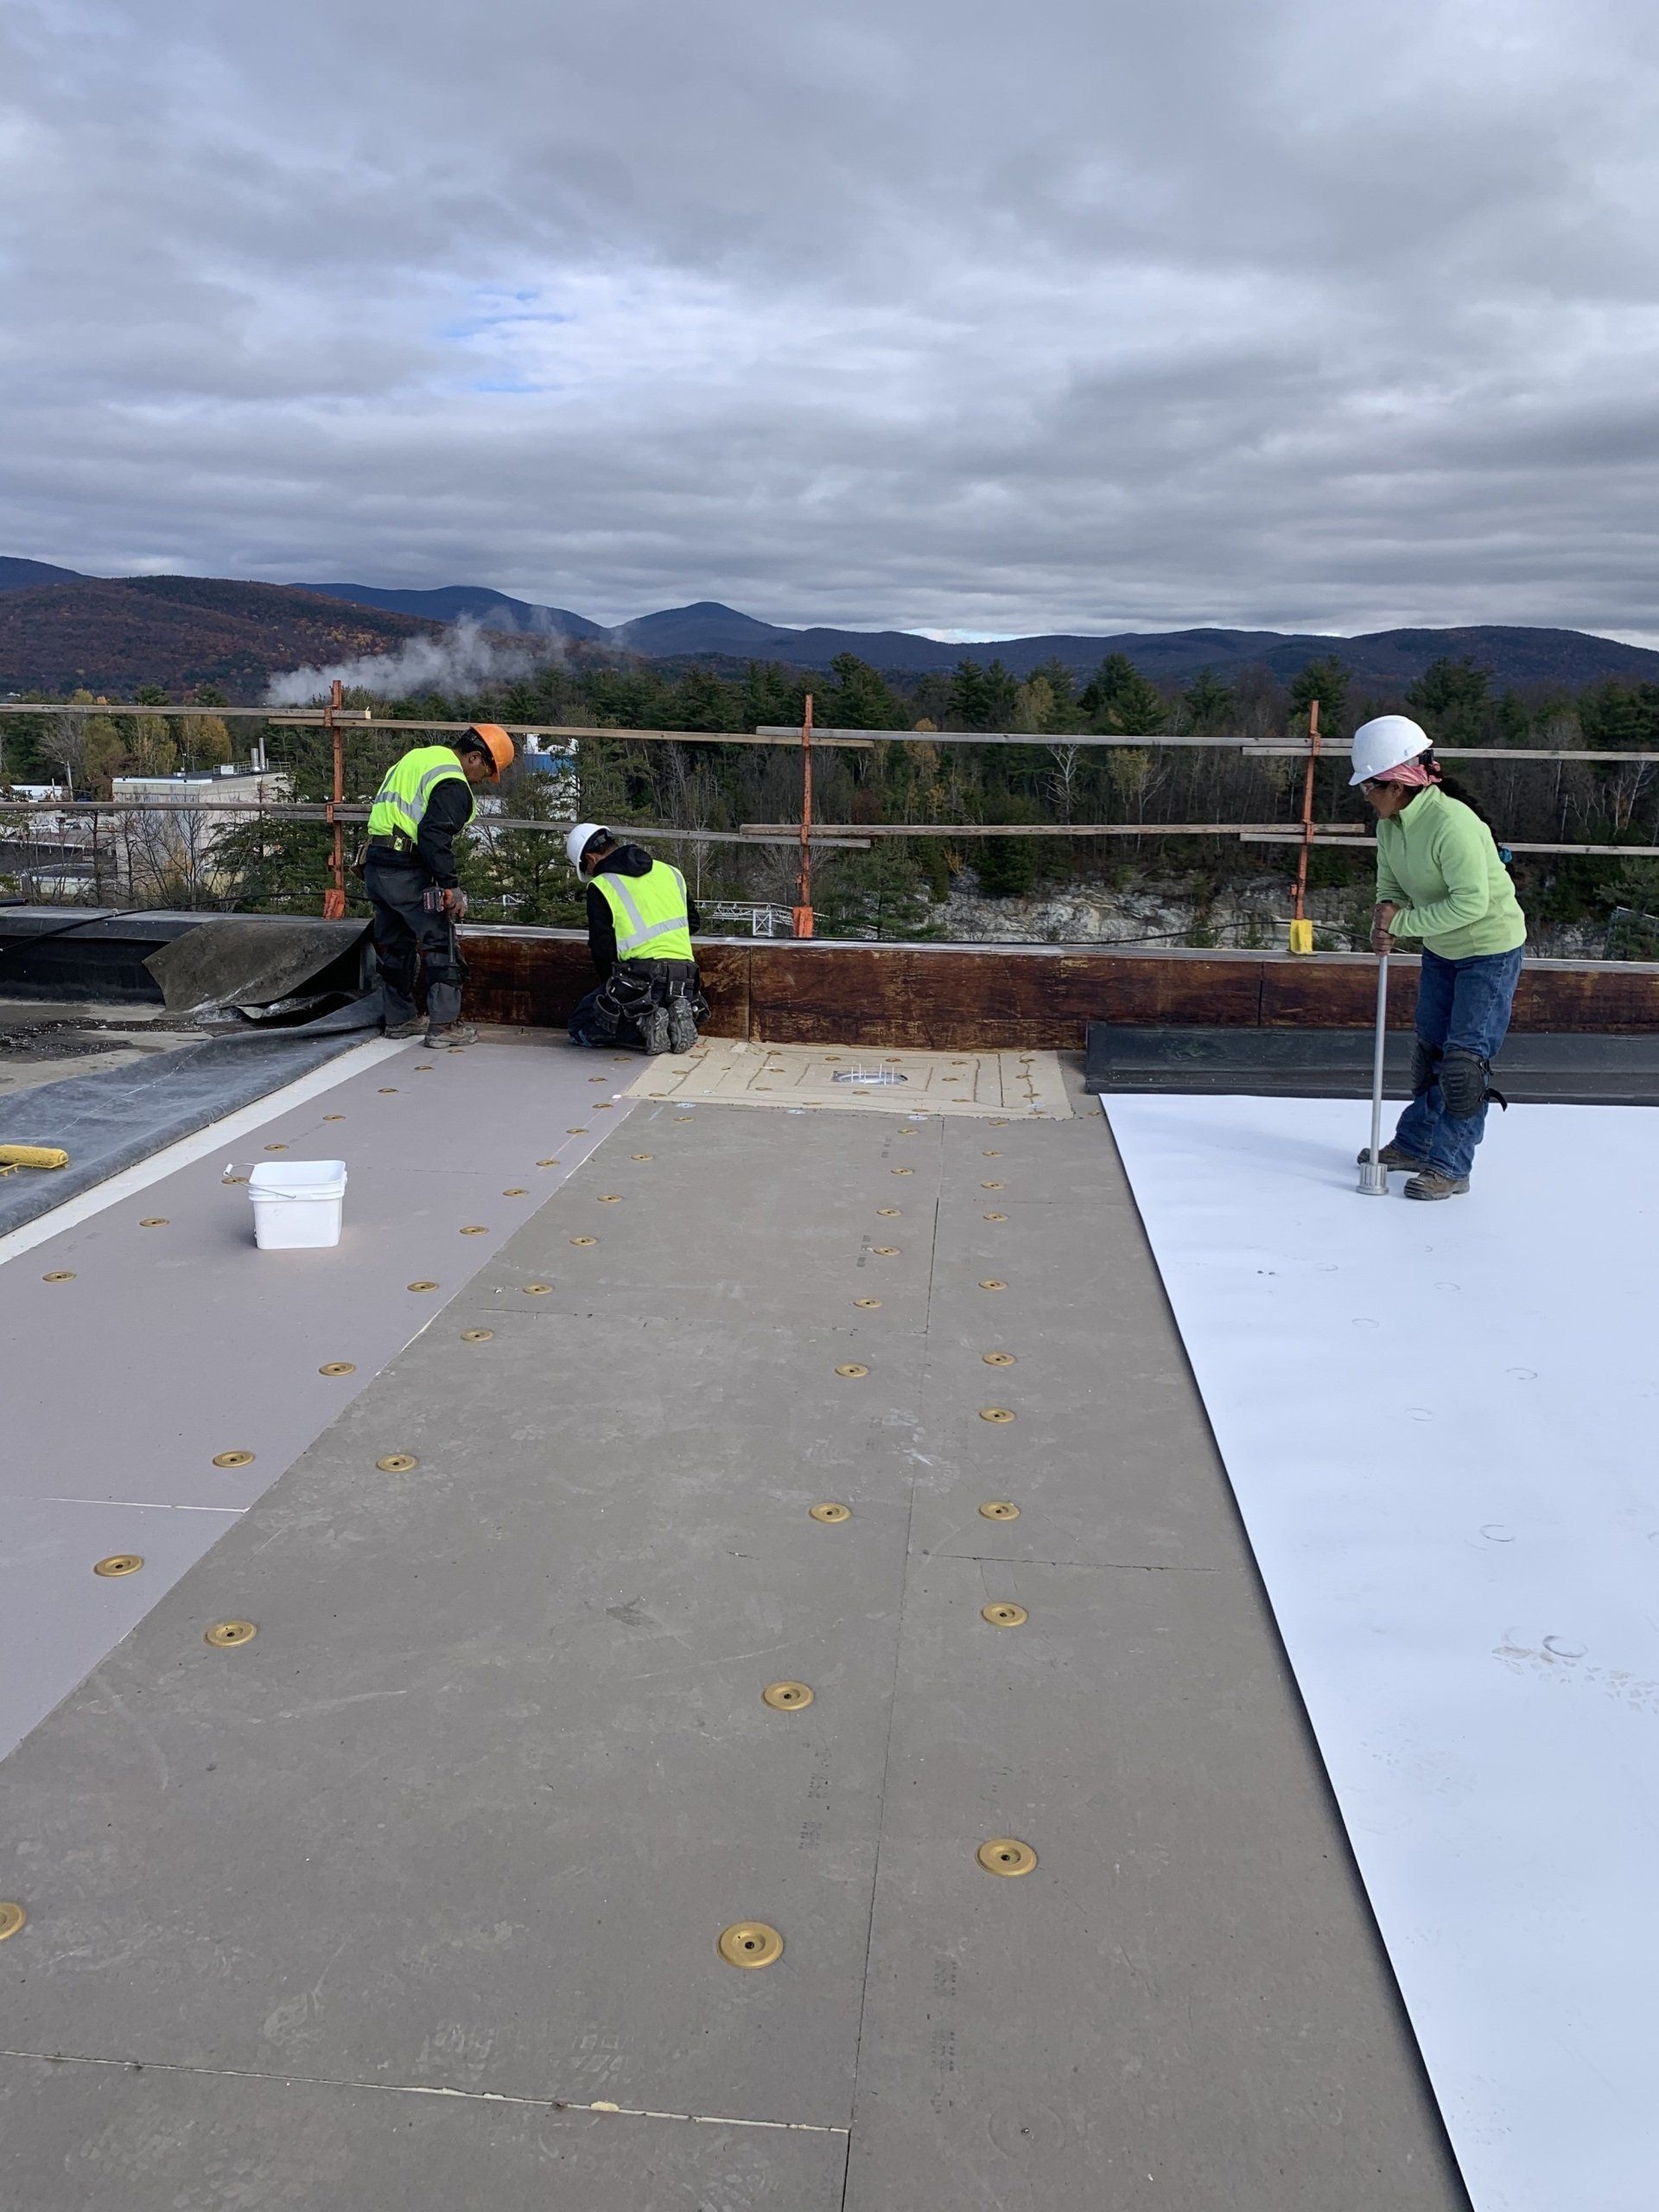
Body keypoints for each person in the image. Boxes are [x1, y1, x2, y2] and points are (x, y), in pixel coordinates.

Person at [1351, 714, 1527, 1200]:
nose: (1366, 794)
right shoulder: (1390, 825)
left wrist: (1402, 925)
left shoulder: (1452, 823)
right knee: (1429, 1054)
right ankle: (1415, 1143)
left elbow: (1471, 902)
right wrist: (1383, 916)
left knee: (1463, 1064)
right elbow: (1390, 885)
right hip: (1442, 948)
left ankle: (1451, 1167)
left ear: (1400, 782)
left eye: (1371, 785)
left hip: (1489, 950)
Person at [364, 723, 514, 1047]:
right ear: (474, 757)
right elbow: (433, 835)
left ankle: (400, 1019)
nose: (483, 781)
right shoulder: (453, 783)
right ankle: (444, 1026)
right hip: (407, 869)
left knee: (395, 943)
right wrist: (451, 886)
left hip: (376, 864)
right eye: (486, 772)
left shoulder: (417, 759)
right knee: (440, 942)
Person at [564, 822, 707, 1055]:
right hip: (686, 979)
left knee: (580, 1027)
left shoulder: (601, 885)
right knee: (655, 1001)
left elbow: (602, 949)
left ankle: (643, 1026)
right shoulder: (671, 872)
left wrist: (610, 991)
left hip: (639, 981)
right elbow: (693, 922)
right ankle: (674, 1018)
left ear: (590, 859)